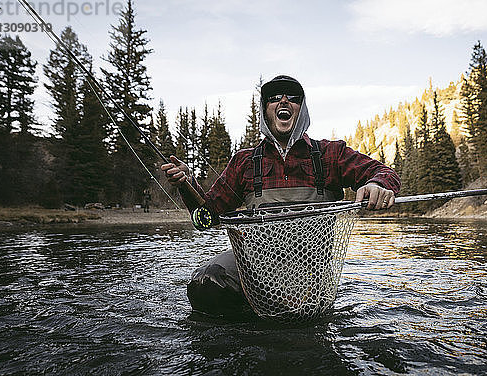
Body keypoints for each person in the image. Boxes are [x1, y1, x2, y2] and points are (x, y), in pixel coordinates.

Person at [161, 75, 401, 317]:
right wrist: (186, 184)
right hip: (253, 265)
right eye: (274, 97)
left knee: (294, 321)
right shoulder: (244, 161)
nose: (284, 101)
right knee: (206, 283)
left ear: (302, 109)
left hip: (309, 271)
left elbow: (384, 172)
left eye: (293, 98)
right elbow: (207, 218)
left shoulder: (331, 154)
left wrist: (377, 184)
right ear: (266, 110)